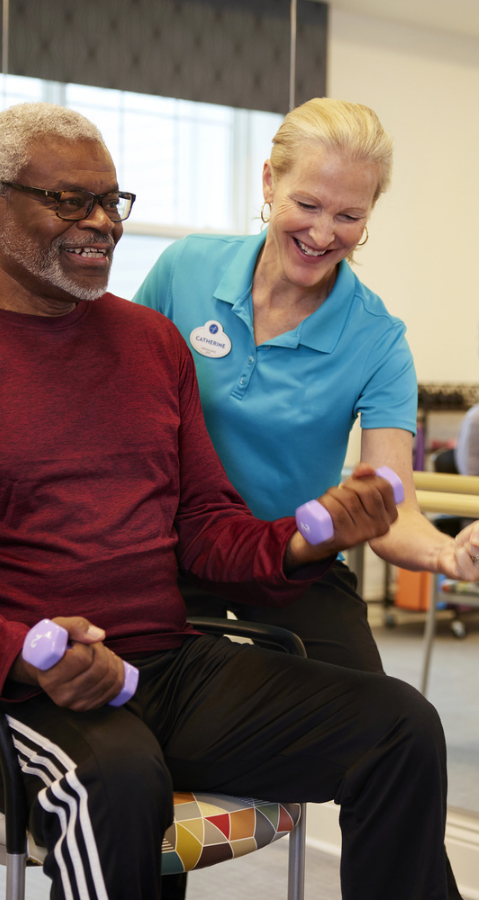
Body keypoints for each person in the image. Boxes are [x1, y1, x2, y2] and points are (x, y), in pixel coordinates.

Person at [0, 102, 469, 900]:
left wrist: (303, 541)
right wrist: (27, 650)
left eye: (111, 202)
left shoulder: (152, 345)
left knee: (400, 726)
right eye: (68, 200)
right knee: (115, 777)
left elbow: (203, 527)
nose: (101, 224)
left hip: (158, 661)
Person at [133, 97, 479, 674]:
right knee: (159, 698)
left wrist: (448, 551)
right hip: (171, 547)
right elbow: (112, 396)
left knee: (373, 713)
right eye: (307, 203)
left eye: (349, 216)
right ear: (269, 182)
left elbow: (395, 510)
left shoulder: (379, 340)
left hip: (293, 552)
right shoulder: (185, 269)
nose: (322, 234)